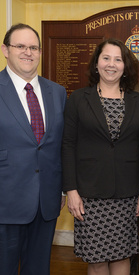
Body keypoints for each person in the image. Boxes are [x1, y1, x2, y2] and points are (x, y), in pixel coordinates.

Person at [62, 38, 139, 275]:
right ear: (96, 63)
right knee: (97, 259)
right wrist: (71, 191)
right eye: (106, 58)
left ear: (125, 66)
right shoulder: (78, 98)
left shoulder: (137, 101)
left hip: (126, 194)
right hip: (89, 194)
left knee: (122, 257)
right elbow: (68, 145)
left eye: (118, 59)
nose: (112, 64)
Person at [0, 23, 67, 275]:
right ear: (5, 50)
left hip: (46, 202)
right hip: (5, 202)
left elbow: (60, 144)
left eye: (34, 47)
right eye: (20, 46)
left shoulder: (57, 92)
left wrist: (61, 189)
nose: (28, 52)